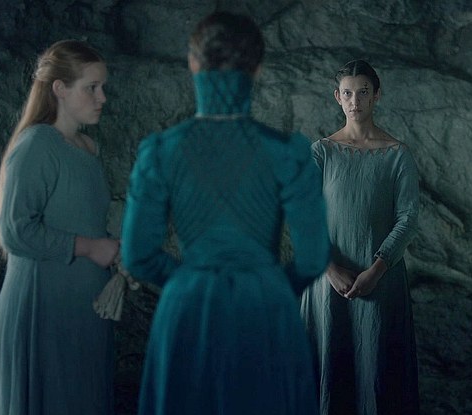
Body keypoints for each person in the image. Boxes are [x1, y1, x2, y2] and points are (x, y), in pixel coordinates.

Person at [120, 12, 330, 415]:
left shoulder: (160, 151)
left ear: (192, 63)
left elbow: (138, 255)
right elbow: (313, 257)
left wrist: (189, 281)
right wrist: (270, 286)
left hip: (188, 307)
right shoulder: (287, 152)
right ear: (258, 69)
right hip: (265, 307)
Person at [0, 39, 117, 414]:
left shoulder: (87, 148)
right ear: (60, 89)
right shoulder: (38, 145)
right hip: (44, 313)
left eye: (103, 87)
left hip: (82, 314)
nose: (102, 98)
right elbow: (16, 231)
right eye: (91, 88)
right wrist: (91, 247)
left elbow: (82, 217)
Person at [300, 60, 420, 415]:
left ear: (376, 95)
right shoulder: (321, 152)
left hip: (379, 282)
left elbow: (408, 218)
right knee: (327, 370)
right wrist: (329, 269)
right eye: (348, 93)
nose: (355, 101)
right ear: (338, 97)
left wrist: (377, 270)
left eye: (363, 92)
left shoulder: (397, 155)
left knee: (376, 374)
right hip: (327, 283)